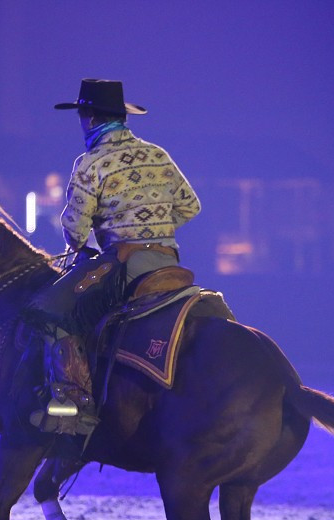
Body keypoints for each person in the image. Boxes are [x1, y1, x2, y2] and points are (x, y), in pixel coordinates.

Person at [24, 78, 201, 431]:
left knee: (54, 310)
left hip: (125, 266)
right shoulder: (158, 154)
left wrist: (110, 235)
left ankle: (72, 405)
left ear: (89, 117)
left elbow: (75, 232)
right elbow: (191, 207)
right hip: (169, 262)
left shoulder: (91, 163)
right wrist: (156, 230)